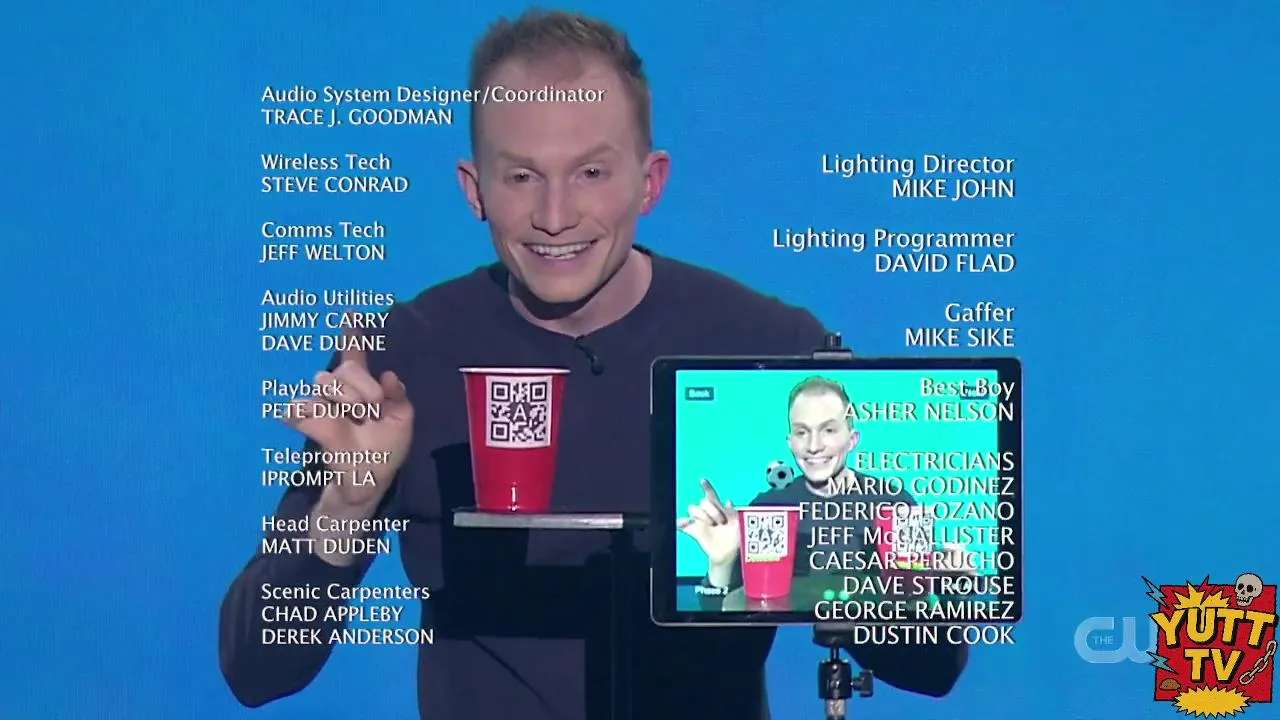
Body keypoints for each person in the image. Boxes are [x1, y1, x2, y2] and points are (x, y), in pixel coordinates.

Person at [218, 10, 967, 719]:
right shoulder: (400, 362)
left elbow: (932, 666)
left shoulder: (771, 351)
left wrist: (883, 576)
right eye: (521, 177)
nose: (555, 216)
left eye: (591, 174)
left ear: (650, 181)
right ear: (474, 190)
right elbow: (254, 667)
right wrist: (344, 508)